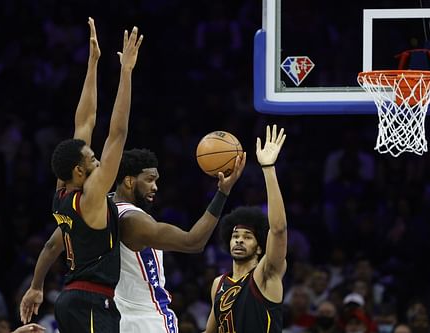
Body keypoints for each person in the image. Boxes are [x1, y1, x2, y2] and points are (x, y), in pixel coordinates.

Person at [19, 17, 143, 333]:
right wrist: (126, 73)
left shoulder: (63, 191)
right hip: (91, 301)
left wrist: (93, 63)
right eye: (91, 157)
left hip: (72, 297)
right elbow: (118, 134)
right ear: (79, 170)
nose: (96, 157)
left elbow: (85, 121)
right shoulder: (91, 196)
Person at [111, 147, 245, 332]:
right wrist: (223, 192)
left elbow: (56, 244)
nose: (155, 187)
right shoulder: (134, 220)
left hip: (114, 317)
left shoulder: (103, 209)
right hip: (147, 320)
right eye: (149, 180)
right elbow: (194, 242)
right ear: (129, 181)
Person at [204, 124, 287, 333]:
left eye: (248, 237)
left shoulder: (266, 275)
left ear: (260, 247)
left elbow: (278, 229)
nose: (239, 240)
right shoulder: (218, 284)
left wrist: (268, 168)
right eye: (235, 236)